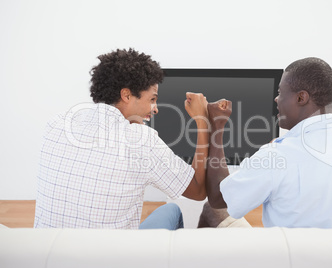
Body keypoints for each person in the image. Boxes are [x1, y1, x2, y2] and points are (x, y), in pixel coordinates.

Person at [34, 48, 209, 230]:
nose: (155, 108)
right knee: (172, 210)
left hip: (48, 251)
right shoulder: (141, 141)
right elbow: (197, 190)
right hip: (112, 256)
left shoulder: (56, 124)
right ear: (126, 95)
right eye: (152, 99)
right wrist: (202, 119)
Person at [204, 57, 332, 229]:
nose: (276, 99)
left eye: (280, 93)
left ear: (301, 98)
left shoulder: (278, 156)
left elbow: (218, 198)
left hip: (290, 258)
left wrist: (217, 126)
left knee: (211, 211)